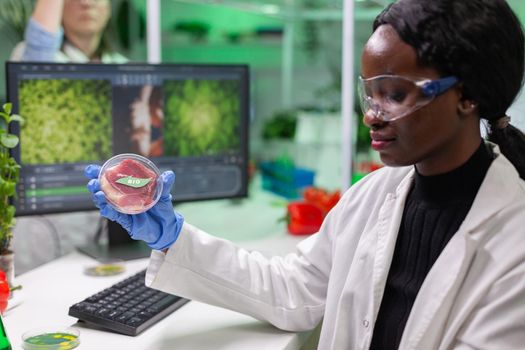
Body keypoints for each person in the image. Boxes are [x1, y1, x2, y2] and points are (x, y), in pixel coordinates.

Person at [85, 0, 525, 348]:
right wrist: (172, 236)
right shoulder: (374, 194)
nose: (371, 115)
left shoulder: (514, 243)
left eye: (394, 94)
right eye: (369, 93)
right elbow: (294, 290)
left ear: (466, 96)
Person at [10, 0, 127, 63]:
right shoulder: (30, 55)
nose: (87, 3)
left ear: (108, 9)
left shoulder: (122, 65)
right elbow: (41, 42)